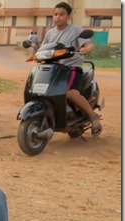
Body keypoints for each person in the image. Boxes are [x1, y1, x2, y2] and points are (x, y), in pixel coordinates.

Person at [41, 1, 101, 136]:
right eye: (55, 14)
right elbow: (43, 48)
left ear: (68, 16)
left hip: (71, 68)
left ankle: (93, 117)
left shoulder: (76, 30)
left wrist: (86, 48)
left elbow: (89, 44)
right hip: (54, 68)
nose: (57, 17)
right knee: (43, 91)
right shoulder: (50, 33)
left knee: (70, 92)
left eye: (61, 14)